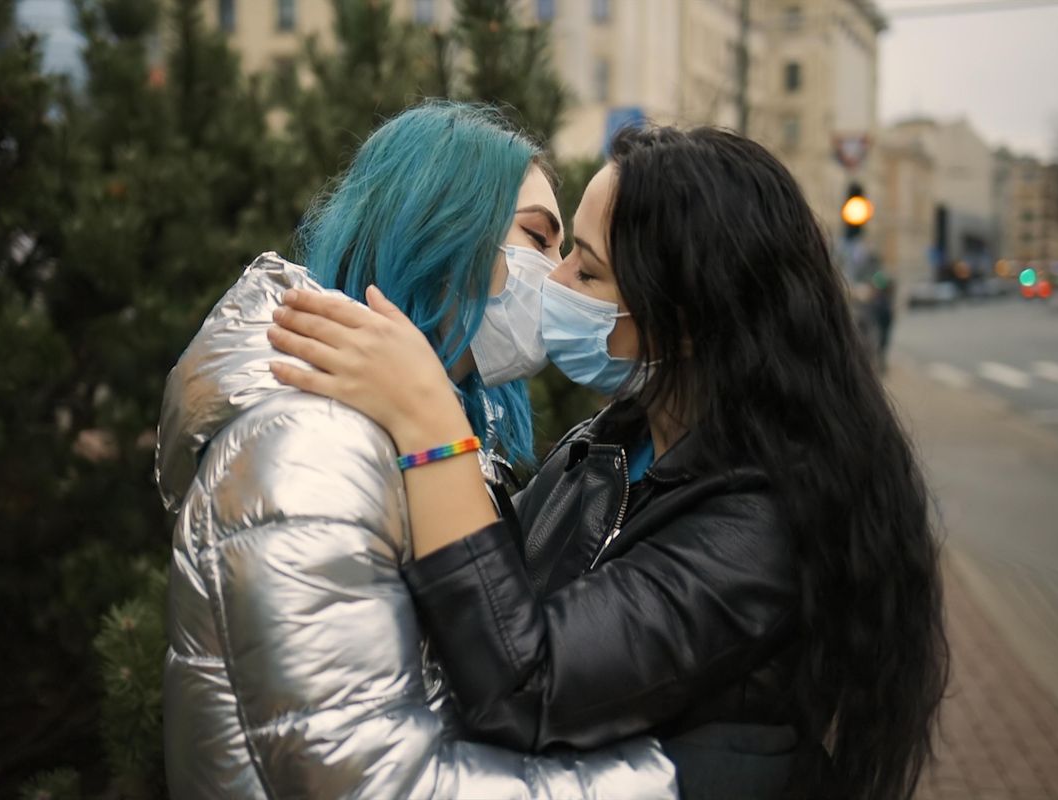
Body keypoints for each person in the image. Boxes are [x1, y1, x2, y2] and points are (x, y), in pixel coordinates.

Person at [270, 125, 949, 800]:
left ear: (680, 319)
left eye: (585, 268)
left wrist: (432, 423)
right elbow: (479, 607)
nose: (553, 280)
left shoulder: (760, 524)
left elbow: (526, 688)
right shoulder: (603, 448)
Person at [154, 102, 676, 799]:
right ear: (442, 227)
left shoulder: (412, 434)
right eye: (538, 238)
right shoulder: (310, 448)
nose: (556, 279)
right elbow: (364, 781)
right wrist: (674, 778)